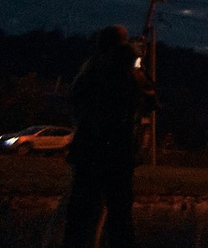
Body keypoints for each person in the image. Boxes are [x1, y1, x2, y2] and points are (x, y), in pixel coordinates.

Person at [62, 27, 152, 248]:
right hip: (118, 152)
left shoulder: (92, 69)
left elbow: (75, 99)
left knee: (80, 213)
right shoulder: (131, 73)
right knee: (119, 216)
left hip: (88, 149)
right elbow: (150, 100)